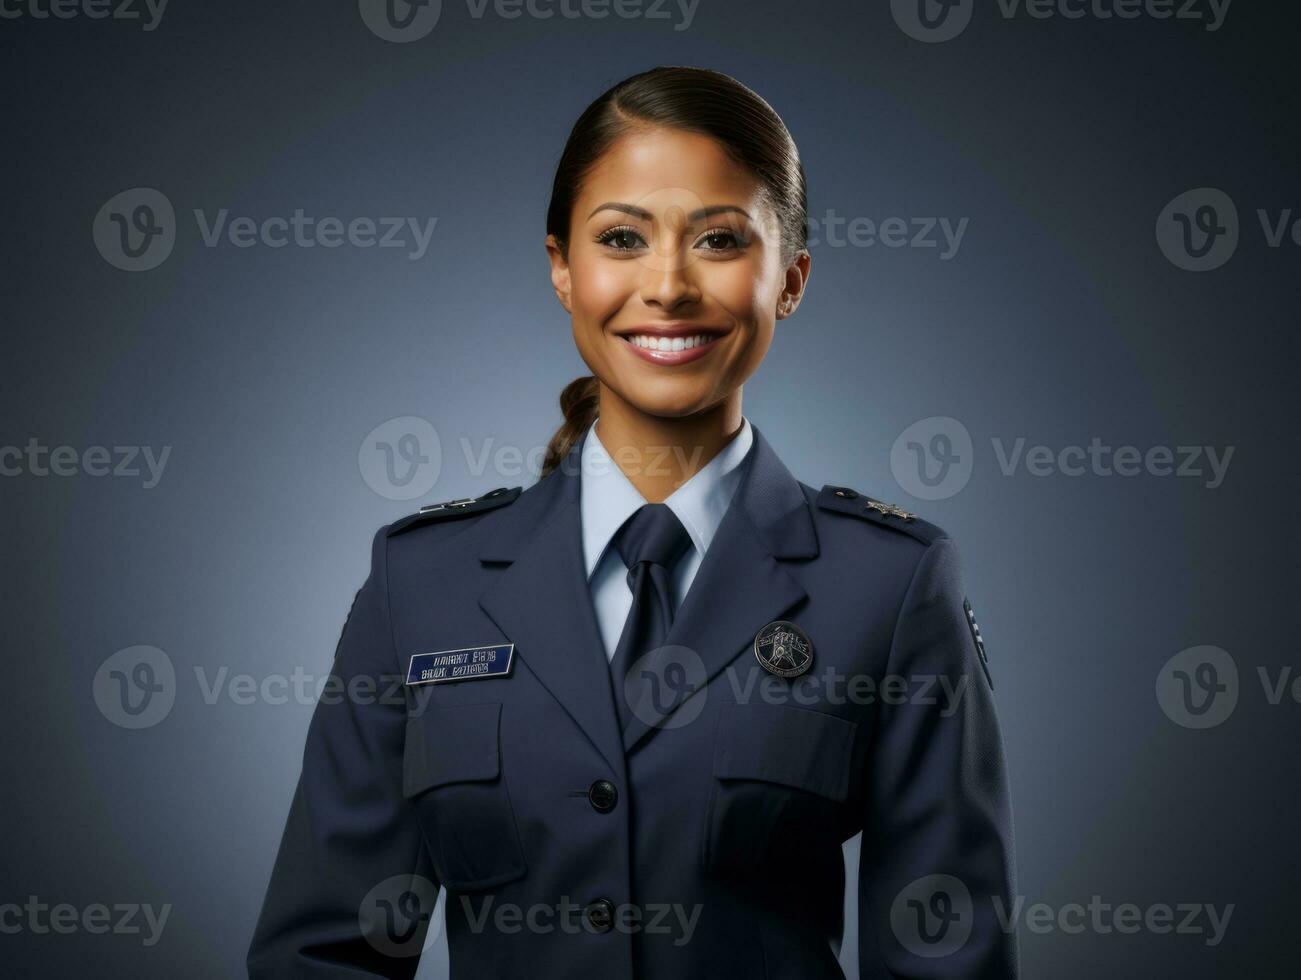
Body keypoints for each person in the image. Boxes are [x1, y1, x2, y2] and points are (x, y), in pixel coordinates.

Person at [248, 65, 1017, 979]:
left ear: (791, 279)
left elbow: (946, 957)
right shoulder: (421, 584)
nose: (667, 287)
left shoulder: (888, 587)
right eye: (621, 237)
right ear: (561, 270)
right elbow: (325, 956)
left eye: (719, 240)